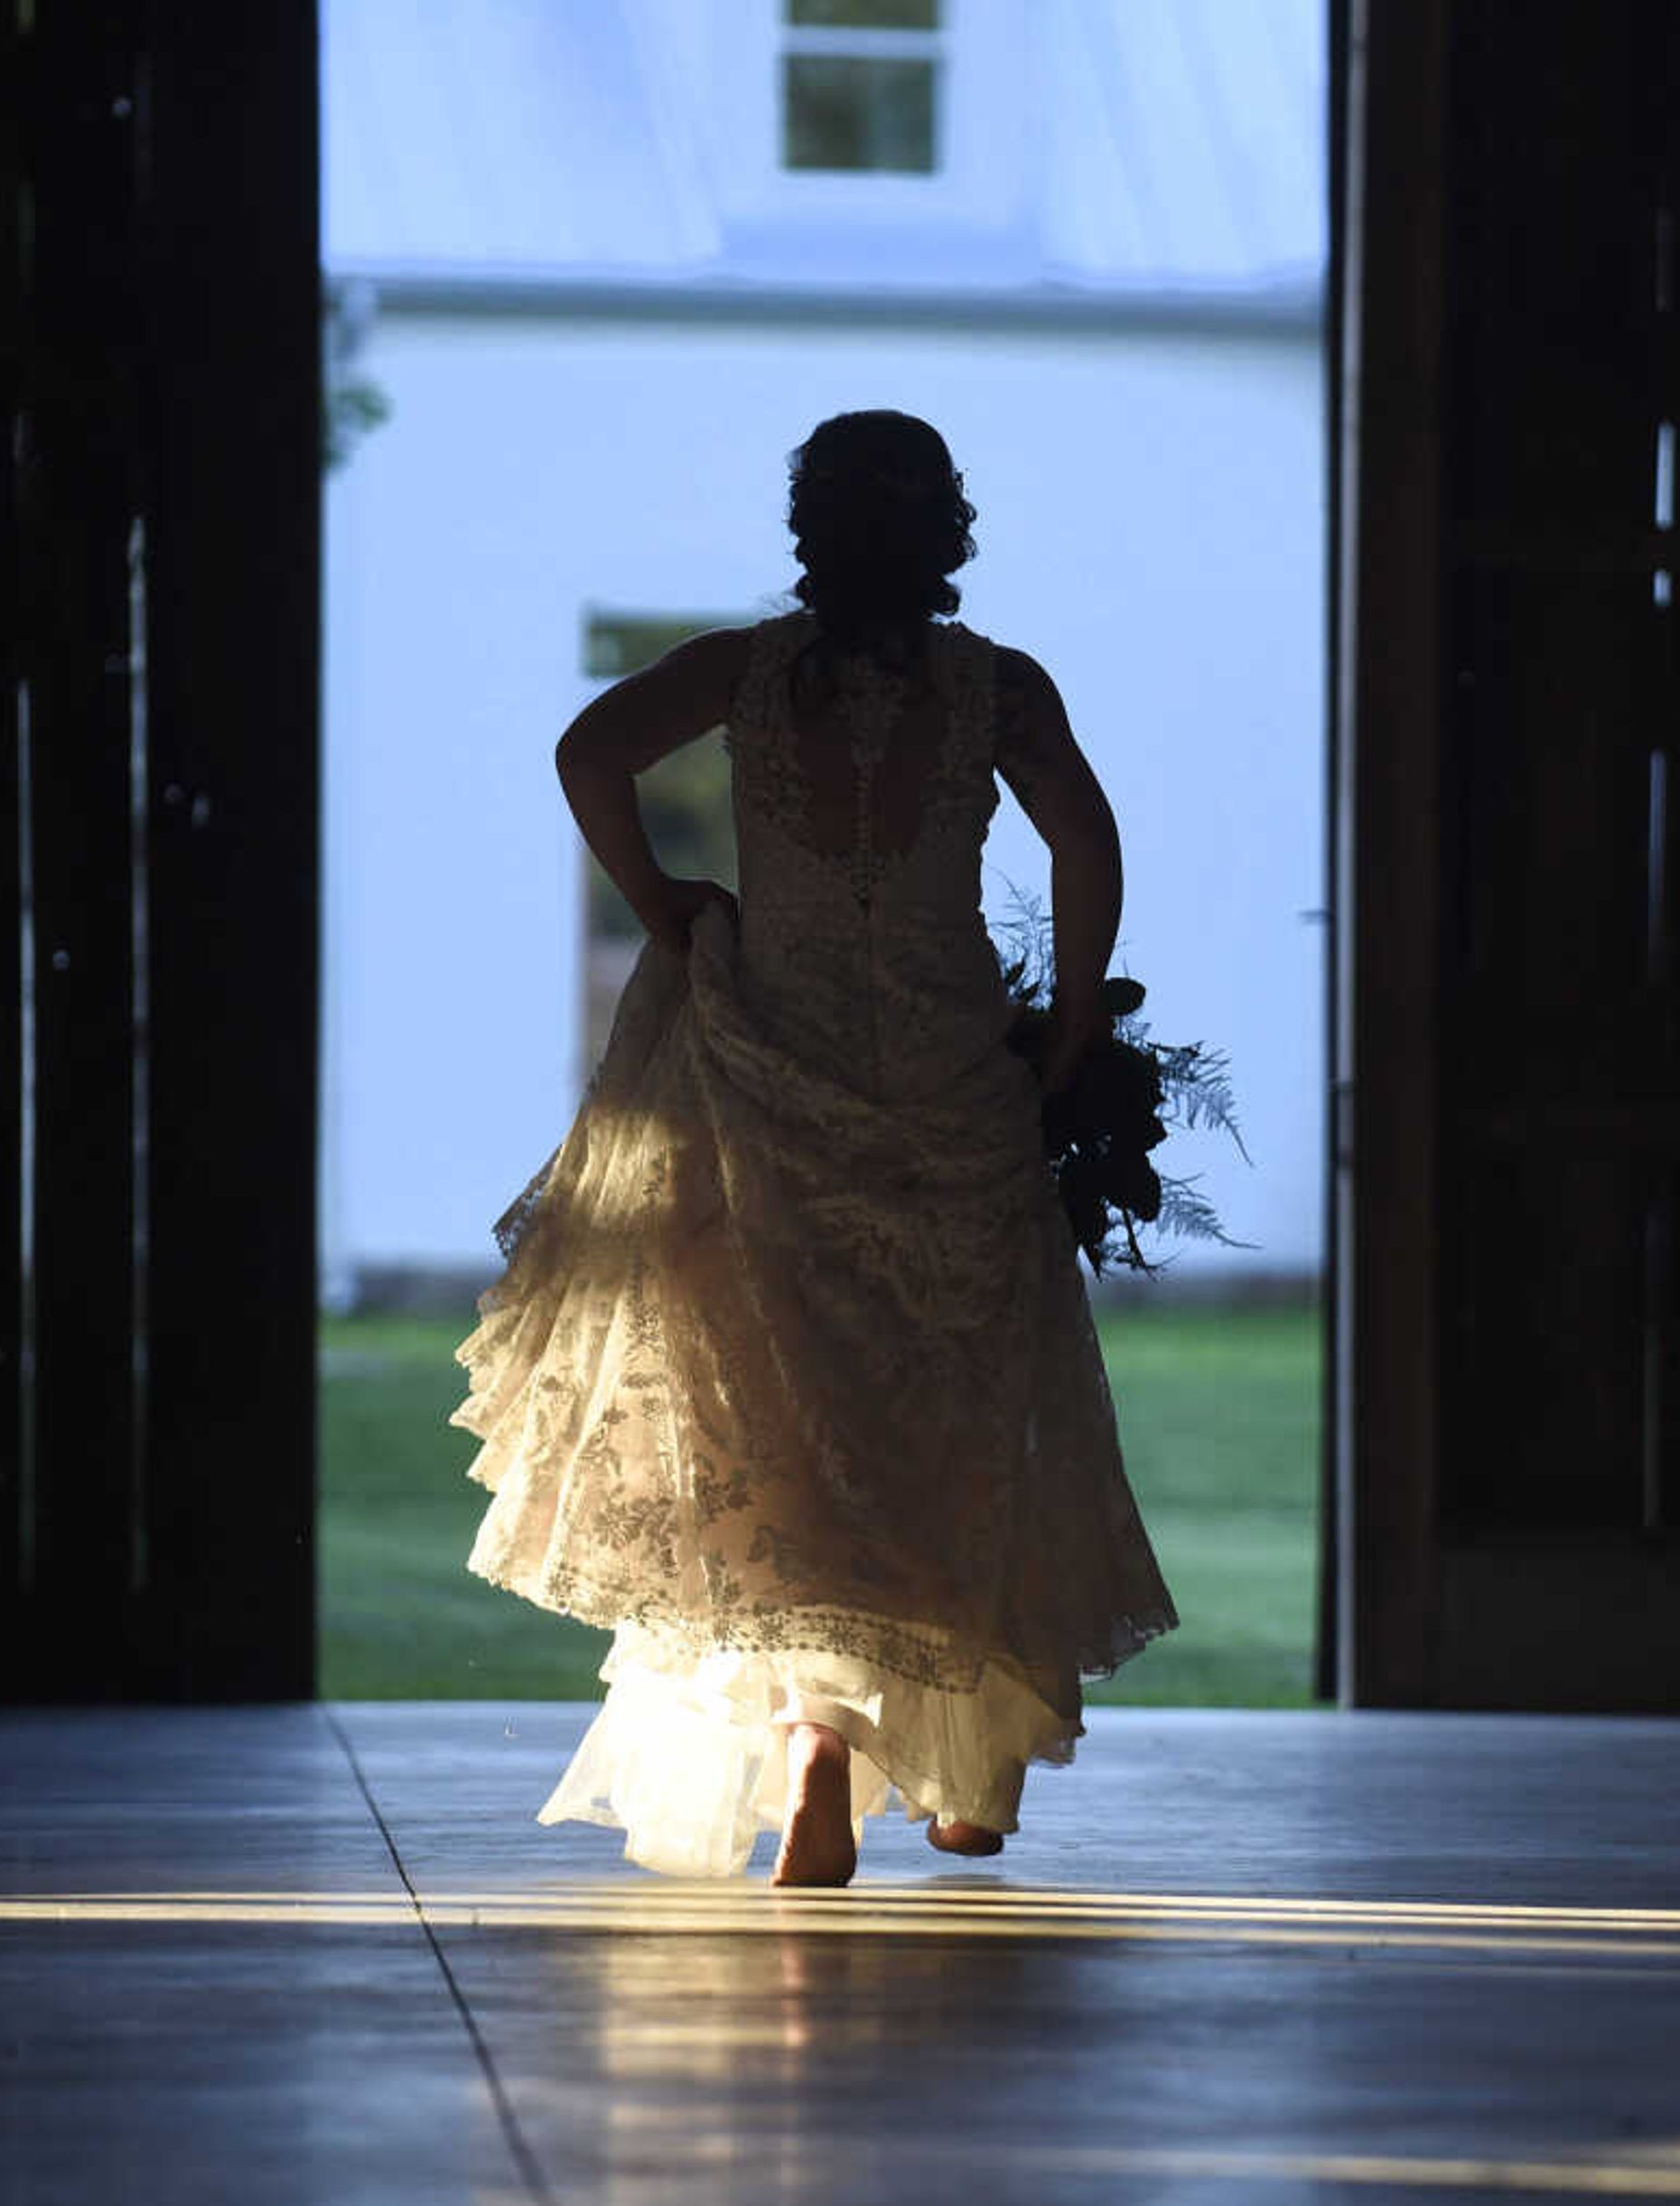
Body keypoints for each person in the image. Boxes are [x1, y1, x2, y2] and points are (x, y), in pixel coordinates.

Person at [451, 410, 1178, 1886]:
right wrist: (1068, 1030)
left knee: (789, 1436)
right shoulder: (998, 690)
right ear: (949, 535)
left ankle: (821, 1754)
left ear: (812, 530)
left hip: (772, 1068)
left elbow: (588, 750)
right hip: (942, 1080)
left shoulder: (743, 674)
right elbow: (1088, 843)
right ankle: (966, 1771)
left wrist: (665, 899)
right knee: (953, 1417)